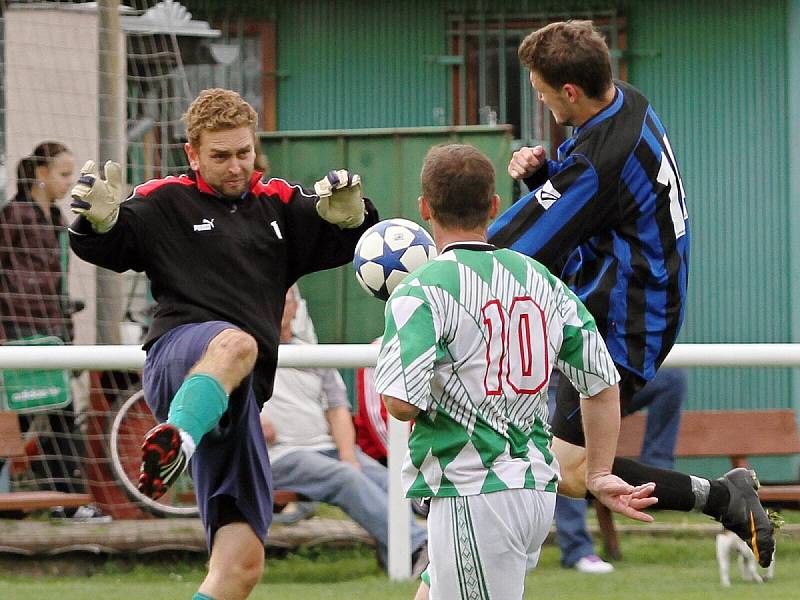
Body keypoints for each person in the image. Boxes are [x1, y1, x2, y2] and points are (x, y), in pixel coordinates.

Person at [68, 88, 379, 600]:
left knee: (241, 566)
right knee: (236, 343)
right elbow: (112, 239)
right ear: (193, 154)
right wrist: (98, 222)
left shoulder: (278, 202)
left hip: (239, 399)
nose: (236, 167)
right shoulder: (164, 200)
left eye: (243, 153)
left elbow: (347, 234)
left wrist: (353, 217)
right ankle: (178, 443)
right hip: (180, 359)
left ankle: (180, 444)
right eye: (220, 156)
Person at [487, 20, 774, 566]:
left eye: (542, 91)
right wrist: (548, 175)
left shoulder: (602, 160)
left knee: (572, 472)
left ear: (570, 91)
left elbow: (517, 245)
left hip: (623, 318)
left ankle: (725, 498)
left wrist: (447, 263)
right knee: (568, 464)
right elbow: (592, 201)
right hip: (632, 299)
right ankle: (724, 497)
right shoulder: (627, 103)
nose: (540, 99)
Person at [375, 143, 657, 600]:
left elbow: (400, 403)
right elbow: (602, 383)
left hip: (474, 489)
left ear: (424, 208)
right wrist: (599, 470)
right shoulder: (540, 279)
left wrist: (396, 351)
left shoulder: (420, 290)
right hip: (532, 490)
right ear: (494, 206)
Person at [260, 287, 428, 574]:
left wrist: (348, 453)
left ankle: (401, 558)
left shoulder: (313, 354)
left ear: (296, 308)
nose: (281, 307)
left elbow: (337, 408)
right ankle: (419, 547)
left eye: (286, 301)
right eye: (274, 299)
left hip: (325, 448)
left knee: (385, 477)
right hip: (278, 455)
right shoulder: (250, 352)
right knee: (346, 477)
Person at [0, 142, 109, 522]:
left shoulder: (57, 219)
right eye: (64, 174)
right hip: (19, 333)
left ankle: (66, 500)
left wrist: (66, 331)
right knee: (36, 414)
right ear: (40, 174)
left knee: (44, 414)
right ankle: (69, 501)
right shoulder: (13, 216)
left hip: (51, 335)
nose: (69, 181)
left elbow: (56, 284)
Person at [549, 367, 688, 573]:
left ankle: (657, 471)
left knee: (672, 377)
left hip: (599, 375)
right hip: (550, 384)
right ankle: (577, 549)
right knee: (565, 445)